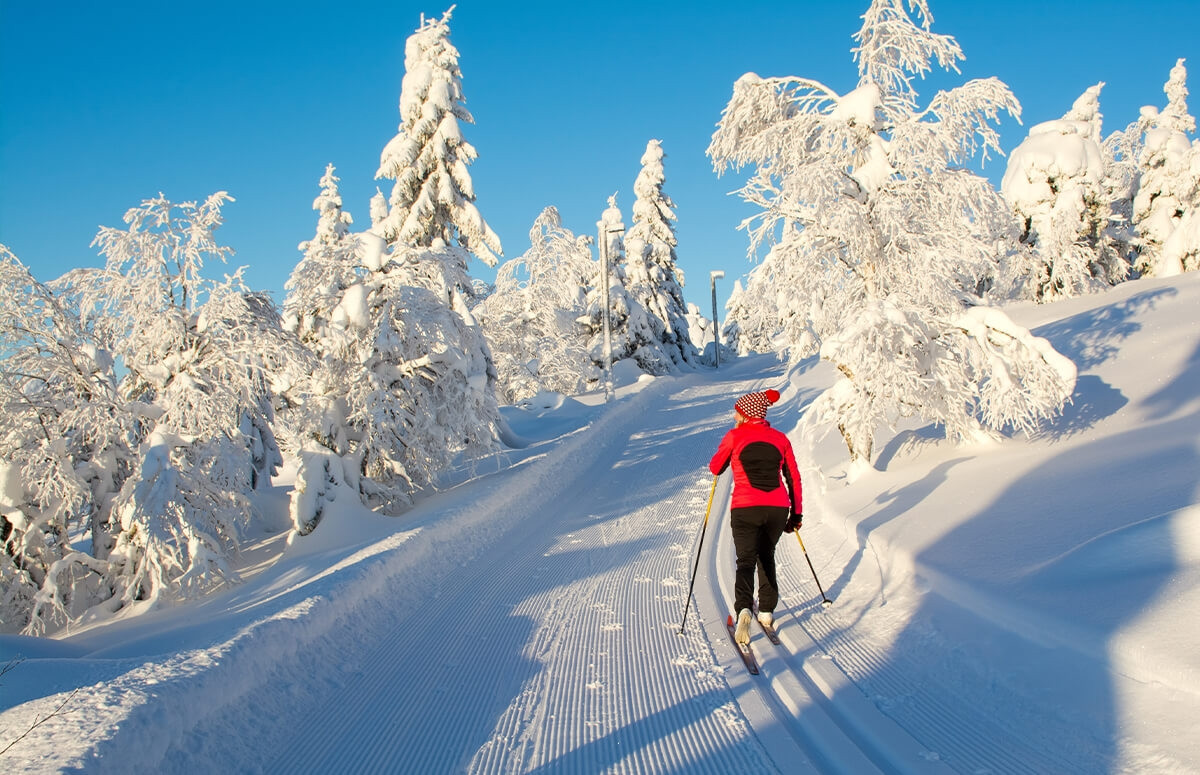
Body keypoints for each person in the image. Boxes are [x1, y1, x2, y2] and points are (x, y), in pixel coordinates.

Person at [708, 388, 802, 645]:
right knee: (766, 555)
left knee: (746, 560)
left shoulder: (735, 436)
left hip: (746, 508)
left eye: (737, 411)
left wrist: (729, 453)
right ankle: (768, 612)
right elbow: (793, 477)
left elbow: (716, 466)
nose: (734, 415)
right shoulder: (781, 439)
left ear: (746, 414)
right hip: (777, 509)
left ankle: (744, 611)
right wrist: (797, 513)